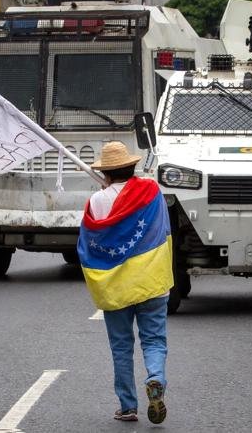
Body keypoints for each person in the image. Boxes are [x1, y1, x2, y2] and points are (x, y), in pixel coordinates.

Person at [77, 141, 174, 424]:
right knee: (154, 340)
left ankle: (128, 406)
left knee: (121, 346)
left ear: (106, 173)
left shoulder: (96, 201)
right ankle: (155, 378)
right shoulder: (151, 191)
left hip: (116, 285)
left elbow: (89, 243)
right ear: (132, 167)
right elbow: (164, 228)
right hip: (151, 281)